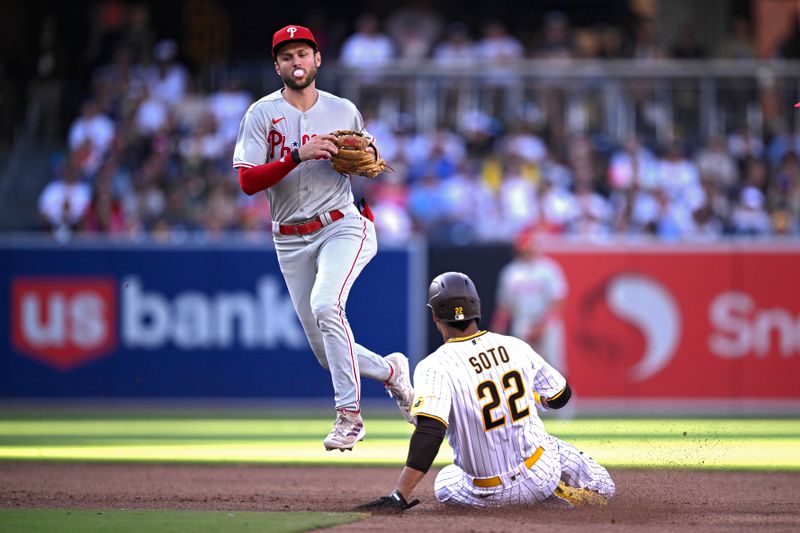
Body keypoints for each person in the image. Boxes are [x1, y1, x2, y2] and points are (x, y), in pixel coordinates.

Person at [231, 24, 414, 451]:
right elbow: (246, 182)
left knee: (325, 305)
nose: (297, 61)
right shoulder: (260, 114)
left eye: (304, 53)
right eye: (288, 55)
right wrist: (297, 154)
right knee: (325, 350)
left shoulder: (343, 110)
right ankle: (392, 372)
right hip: (290, 238)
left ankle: (349, 416)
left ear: (318, 60)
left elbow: (362, 160)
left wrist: (363, 158)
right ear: (277, 65)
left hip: (341, 224)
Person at [355, 272, 614, 511]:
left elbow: (430, 432)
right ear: (476, 308)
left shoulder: (433, 366)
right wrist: (532, 397)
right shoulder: (514, 346)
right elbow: (561, 396)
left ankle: (541, 500)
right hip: (541, 473)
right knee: (600, 484)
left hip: (489, 495)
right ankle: (556, 494)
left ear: (435, 316)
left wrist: (399, 496)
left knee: (445, 480)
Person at [491, 227, 568, 375]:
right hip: (523, 320)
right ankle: (529, 398)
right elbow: (504, 306)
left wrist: (542, 326)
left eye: (528, 247)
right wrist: (497, 333)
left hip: (546, 320)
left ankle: (562, 397)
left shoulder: (548, 268)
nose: (526, 251)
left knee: (554, 365)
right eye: (523, 248)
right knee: (522, 366)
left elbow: (559, 301)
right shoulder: (510, 272)